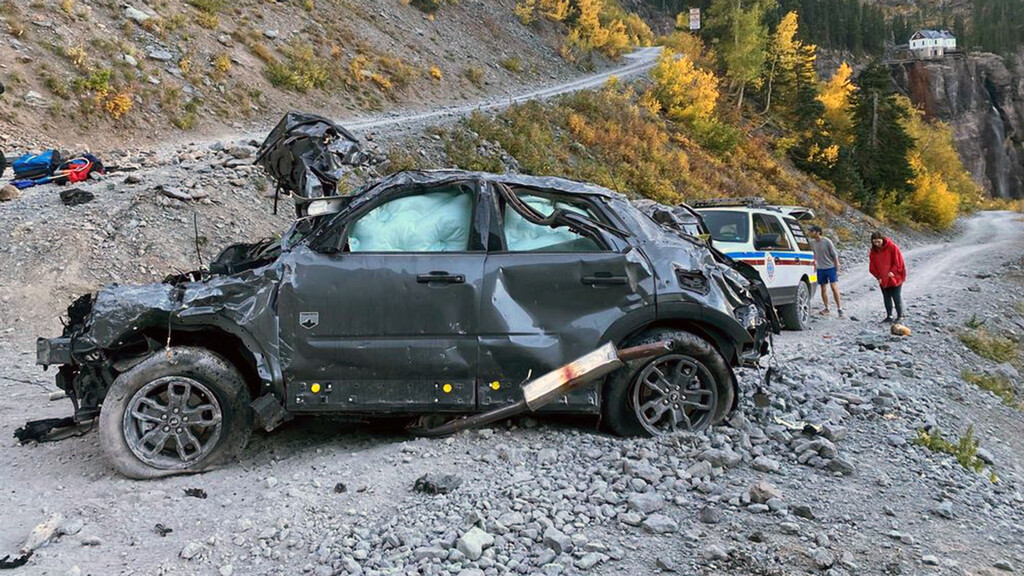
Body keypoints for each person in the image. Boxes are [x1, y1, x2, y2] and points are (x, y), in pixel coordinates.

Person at [868, 231, 906, 323]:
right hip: (883, 278)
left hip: (895, 277)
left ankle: (900, 316)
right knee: (886, 296)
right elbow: (872, 266)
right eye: (875, 242)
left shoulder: (892, 247)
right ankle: (889, 315)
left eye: (878, 242)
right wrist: (878, 276)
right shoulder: (873, 251)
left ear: (883, 240)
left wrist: (893, 271)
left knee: (896, 296)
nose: (877, 244)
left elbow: (899, 261)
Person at [808, 225, 843, 317]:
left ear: (818, 232)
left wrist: (837, 268)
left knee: (833, 286)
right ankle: (827, 307)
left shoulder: (827, 241)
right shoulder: (813, 243)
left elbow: (834, 255)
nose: (810, 233)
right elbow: (814, 255)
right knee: (823, 288)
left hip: (830, 267)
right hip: (820, 268)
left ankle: (840, 308)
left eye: (812, 231)